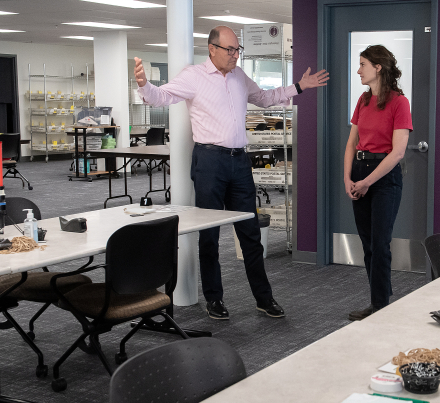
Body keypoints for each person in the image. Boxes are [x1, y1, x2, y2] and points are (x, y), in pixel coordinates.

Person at [134, 26, 328, 321]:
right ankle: (214, 299)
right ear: (212, 48)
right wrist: (144, 85)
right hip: (209, 161)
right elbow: (162, 96)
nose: (235, 55)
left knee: (249, 233)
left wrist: (298, 87)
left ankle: (264, 299)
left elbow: (264, 97)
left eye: (237, 50)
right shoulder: (194, 76)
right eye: (230, 50)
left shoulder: (239, 76)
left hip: (239, 162)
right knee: (209, 234)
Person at [343, 45, 412, 321]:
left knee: (381, 243)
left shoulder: (399, 102)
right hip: (360, 169)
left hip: (383, 177)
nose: (358, 70)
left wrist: (367, 182)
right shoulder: (362, 100)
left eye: (362, 64)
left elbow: (397, 152)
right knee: (368, 244)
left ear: (378, 67)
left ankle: (380, 306)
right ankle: (379, 299)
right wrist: (348, 179)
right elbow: (351, 144)